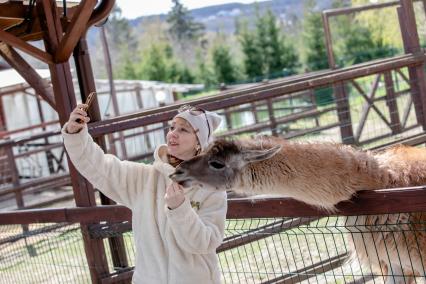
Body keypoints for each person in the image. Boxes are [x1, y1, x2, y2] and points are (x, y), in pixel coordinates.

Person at [62, 104, 227, 284]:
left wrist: (180, 209)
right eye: (172, 127)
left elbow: (206, 242)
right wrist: (76, 134)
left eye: (183, 129)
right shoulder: (144, 178)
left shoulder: (212, 187)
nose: (173, 133)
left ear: (199, 141)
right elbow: (100, 167)